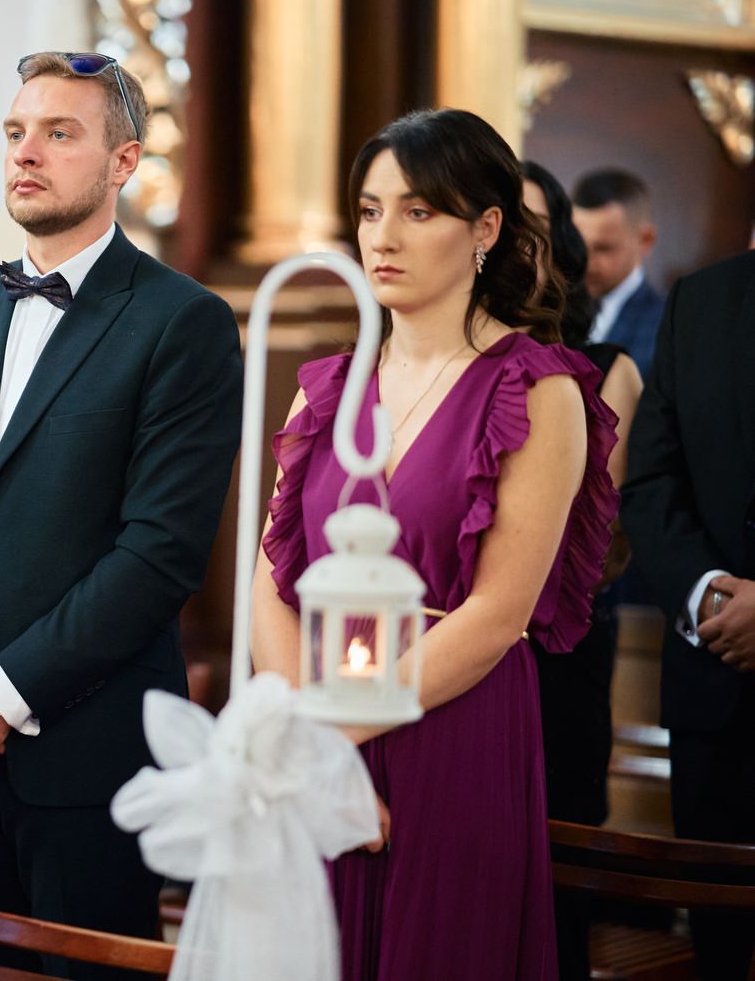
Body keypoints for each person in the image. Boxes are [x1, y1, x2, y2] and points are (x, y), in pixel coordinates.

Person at [0, 52, 242, 979]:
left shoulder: (182, 322)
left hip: (84, 763)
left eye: (59, 134)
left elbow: (158, 555)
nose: (25, 153)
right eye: (15, 132)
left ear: (124, 162)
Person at [251, 110, 618, 979]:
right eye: (370, 211)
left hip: (451, 724)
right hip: (316, 726)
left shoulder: (537, 389)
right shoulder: (326, 388)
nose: (383, 237)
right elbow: (271, 581)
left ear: (486, 228)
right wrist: (314, 749)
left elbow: (499, 613)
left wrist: (332, 734)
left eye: (418, 212)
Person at [524, 158, 643, 981]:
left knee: (552, 902)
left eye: (526, 227)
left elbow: (583, 541)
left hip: (556, 658)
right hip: (438, 663)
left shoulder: (607, 370)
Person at [621, 251, 755, 979]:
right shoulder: (699, 300)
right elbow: (650, 480)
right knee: (719, 955)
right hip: (715, 692)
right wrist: (708, 594)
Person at [571, 168, 663, 378]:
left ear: (645, 240)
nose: (586, 262)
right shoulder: (552, 308)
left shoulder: (666, 325)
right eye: (578, 245)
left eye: (603, 248)